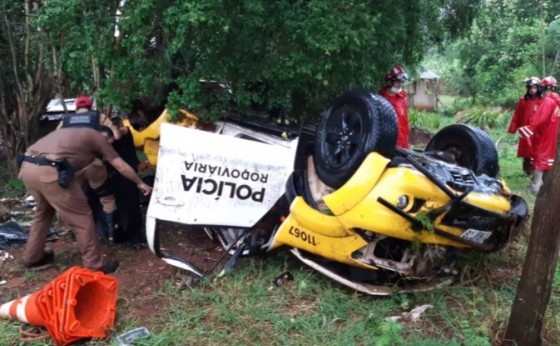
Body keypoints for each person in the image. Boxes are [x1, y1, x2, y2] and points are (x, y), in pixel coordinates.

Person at [18, 125, 152, 273]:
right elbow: (120, 165)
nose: (108, 144)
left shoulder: (71, 133)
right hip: (50, 171)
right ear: (104, 135)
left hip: (27, 168)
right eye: (109, 141)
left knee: (44, 212)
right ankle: (95, 265)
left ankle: (33, 257)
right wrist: (139, 183)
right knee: (81, 218)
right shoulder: (97, 137)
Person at [58, 95, 122, 241]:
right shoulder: (98, 117)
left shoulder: (66, 120)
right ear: (91, 106)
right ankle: (112, 234)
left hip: (71, 166)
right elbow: (116, 136)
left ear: (76, 108)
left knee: (74, 200)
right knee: (106, 198)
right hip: (93, 164)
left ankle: (76, 234)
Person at [517, 76, 560, 194]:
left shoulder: (548, 101)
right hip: (552, 136)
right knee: (547, 160)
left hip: (543, 135)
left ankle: (535, 188)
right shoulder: (557, 101)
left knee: (539, 159)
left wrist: (529, 129)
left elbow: (540, 118)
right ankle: (544, 186)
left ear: (542, 87)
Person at [507, 77, 543, 175]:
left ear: (538, 88)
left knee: (536, 148)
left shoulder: (542, 100)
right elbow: (517, 114)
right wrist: (513, 128)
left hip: (537, 129)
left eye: (534, 87)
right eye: (530, 88)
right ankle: (527, 168)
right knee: (526, 149)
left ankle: (536, 167)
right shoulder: (523, 100)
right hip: (525, 128)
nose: (532, 90)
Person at [379, 65, 410, 149]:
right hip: (389, 144)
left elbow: (405, 121)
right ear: (389, 82)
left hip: (403, 143)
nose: (400, 84)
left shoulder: (402, 97)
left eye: (402, 82)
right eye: (397, 81)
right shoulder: (381, 100)